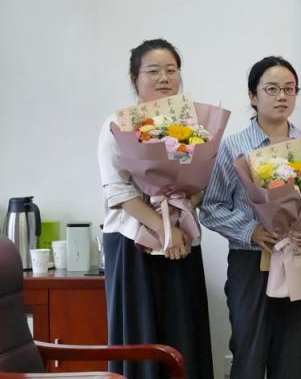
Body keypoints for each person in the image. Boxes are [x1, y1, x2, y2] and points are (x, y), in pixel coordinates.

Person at [200, 56, 301, 379]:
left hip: (298, 257)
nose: (282, 96)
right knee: (248, 357)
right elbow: (211, 206)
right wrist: (251, 230)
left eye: (290, 89)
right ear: (253, 96)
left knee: (290, 359)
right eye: (272, 89)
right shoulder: (233, 147)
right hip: (251, 263)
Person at [98, 38, 213, 379]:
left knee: (184, 335)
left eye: (171, 70)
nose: (164, 78)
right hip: (133, 243)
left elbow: (200, 184)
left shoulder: (191, 128)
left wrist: (181, 215)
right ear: (135, 79)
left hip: (181, 241)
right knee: (140, 337)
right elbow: (118, 192)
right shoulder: (117, 125)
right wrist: (165, 230)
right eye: (153, 71)